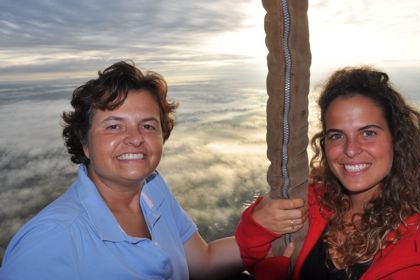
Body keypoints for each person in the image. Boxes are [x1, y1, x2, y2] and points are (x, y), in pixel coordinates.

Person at [0, 61, 245, 279]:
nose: (135, 138)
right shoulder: (49, 241)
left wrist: (264, 232)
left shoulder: (153, 188)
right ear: (85, 143)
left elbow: (203, 263)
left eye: (148, 126)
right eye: (114, 126)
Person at [235, 66, 420, 280]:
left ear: (396, 140)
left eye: (368, 133)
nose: (350, 150)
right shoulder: (312, 201)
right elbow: (251, 252)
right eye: (336, 135)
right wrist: (258, 225)